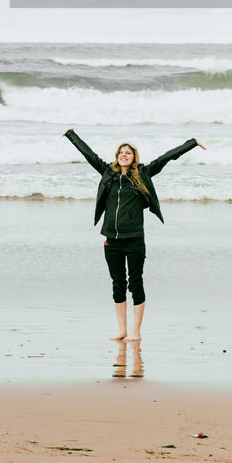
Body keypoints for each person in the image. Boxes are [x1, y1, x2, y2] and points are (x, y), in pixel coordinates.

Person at [63, 127, 205, 342]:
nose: (124, 155)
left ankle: (136, 332)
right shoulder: (107, 173)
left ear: (134, 157)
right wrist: (70, 134)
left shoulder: (144, 173)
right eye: (121, 152)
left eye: (128, 153)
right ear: (117, 157)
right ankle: (122, 330)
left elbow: (166, 157)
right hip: (112, 239)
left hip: (135, 239)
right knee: (117, 284)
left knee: (135, 283)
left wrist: (192, 143)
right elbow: (88, 154)